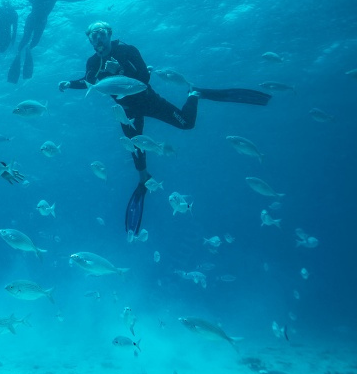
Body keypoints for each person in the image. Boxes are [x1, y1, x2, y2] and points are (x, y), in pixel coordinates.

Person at [58, 21, 271, 232]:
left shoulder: (128, 50)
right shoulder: (92, 62)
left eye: (101, 33)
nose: (97, 38)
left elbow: (144, 76)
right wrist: (69, 84)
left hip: (149, 101)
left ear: (109, 34)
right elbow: (88, 82)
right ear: (90, 41)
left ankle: (195, 94)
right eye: (92, 36)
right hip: (127, 111)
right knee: (135, 148)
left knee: (187, 124)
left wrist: (120, 69)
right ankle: (144, 181)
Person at [8, 0, 88, 83]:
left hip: (41, 22)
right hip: (32, 19)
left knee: (35, 41)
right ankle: (19, 53)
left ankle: (28, 49)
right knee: (25, 38)